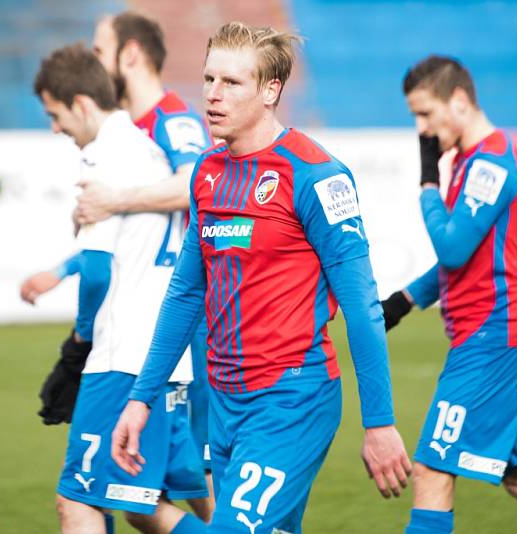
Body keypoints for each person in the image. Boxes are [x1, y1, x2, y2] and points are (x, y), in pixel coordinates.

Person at [112, 22, 411, 533]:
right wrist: (141, 398)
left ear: (271, 90)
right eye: (208, 80)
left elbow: (361, 307)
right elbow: (186, 293)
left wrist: (379, 421)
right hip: (223, 404)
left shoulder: (318, 176)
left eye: (231, 83)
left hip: (292, 399)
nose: (211, 95)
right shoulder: (206, 172)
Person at [380, 55, 517, 534]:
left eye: (425, 114)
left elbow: (452, 247)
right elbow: (465, 261)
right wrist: (404, 301)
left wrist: (428, 184)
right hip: (497, 340)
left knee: (432, 469)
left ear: (459, 101)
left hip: (489, 343)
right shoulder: (474, 160)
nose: (421, 129)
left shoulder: (492, 162)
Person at [32, 44, 209, 534]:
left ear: (83, 104)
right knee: (145, 504)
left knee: (80, 502)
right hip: (167, 359)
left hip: (122, 359)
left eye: (55, 114)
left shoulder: (104, 158)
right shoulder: (150, 151)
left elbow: (95, 269)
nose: (55, 128)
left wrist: (80, 343)